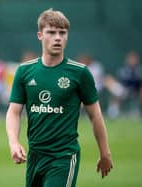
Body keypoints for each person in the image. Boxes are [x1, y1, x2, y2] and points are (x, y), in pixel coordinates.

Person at [6, 8, 113, 187]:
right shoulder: (24, 71)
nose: (58, 37)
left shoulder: (80, 73)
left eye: (62, 33)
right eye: (52, 32)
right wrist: (14, 143)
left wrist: (105, 153)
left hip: (63, 157)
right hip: (35, 157)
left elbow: (95, 115)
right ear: (40, 35)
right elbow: (14, 112)